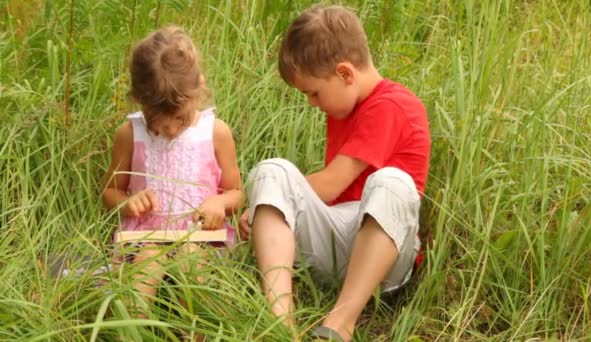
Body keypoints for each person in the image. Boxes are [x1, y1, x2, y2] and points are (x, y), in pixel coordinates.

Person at [239, 5, 430, 341]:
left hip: (385, 256)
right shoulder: (345, 104)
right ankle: (280, 323)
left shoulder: (391, 105)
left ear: (344, 74)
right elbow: (326, 196)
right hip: (338, 242)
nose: (312, 103)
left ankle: (341, 322)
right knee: (271, 172)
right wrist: (264, 201)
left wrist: (262, 203)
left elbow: (330, 185)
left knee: (391, 181)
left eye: (314, 92)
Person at [101, 26, 243, 318]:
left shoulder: (215, 132)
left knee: (193, 264)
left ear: (198, 90)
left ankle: (194, 333)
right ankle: (131, 333)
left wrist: (219, 203)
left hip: (200, 238)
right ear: (139, 100)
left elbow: (237, 193)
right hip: (145, 238)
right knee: (147, 262)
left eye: (178, 118)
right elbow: (109, 191)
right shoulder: (130, 134)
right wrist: (127, 203)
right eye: (157, 119)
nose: (168, 129)